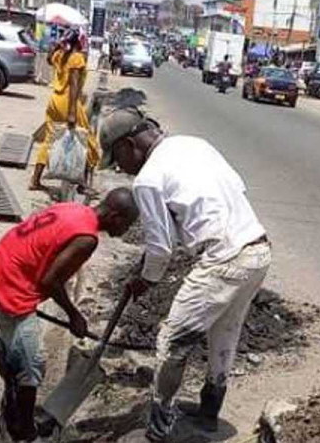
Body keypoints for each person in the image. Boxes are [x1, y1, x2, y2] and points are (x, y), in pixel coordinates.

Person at [99, 107, 272, 442]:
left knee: (172, 340)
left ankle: (159, 427)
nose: (121, 167)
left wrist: (144, 280)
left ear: (129, 144)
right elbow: (235, 188)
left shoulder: (148, 178)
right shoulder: (194, 144)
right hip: (258, 249)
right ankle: (209, 413)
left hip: (224, 258)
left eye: (117, 159)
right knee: (225, 333)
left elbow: (161, 248)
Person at [0, 187, 139, 442]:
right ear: (115, 216)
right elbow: (51, 281)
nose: (126, 231)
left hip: (1, 265)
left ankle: (15, 407)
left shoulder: (75, 210)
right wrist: (74, 315)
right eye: (127, 224)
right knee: (34, 364)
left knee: (20, 355)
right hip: (12, 286)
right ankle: (25, 432)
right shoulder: (87, 238)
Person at [29, 29, 101, 191]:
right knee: (89, 142)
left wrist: (57, 46)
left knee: (49, 140)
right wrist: (72, 113)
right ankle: (83, 185)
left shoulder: (60, 55)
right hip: (69, 102)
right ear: (79, 41)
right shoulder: (76, 58)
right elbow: (74, 84)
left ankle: (35, 180)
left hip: (54, 101)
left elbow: (48, 59)